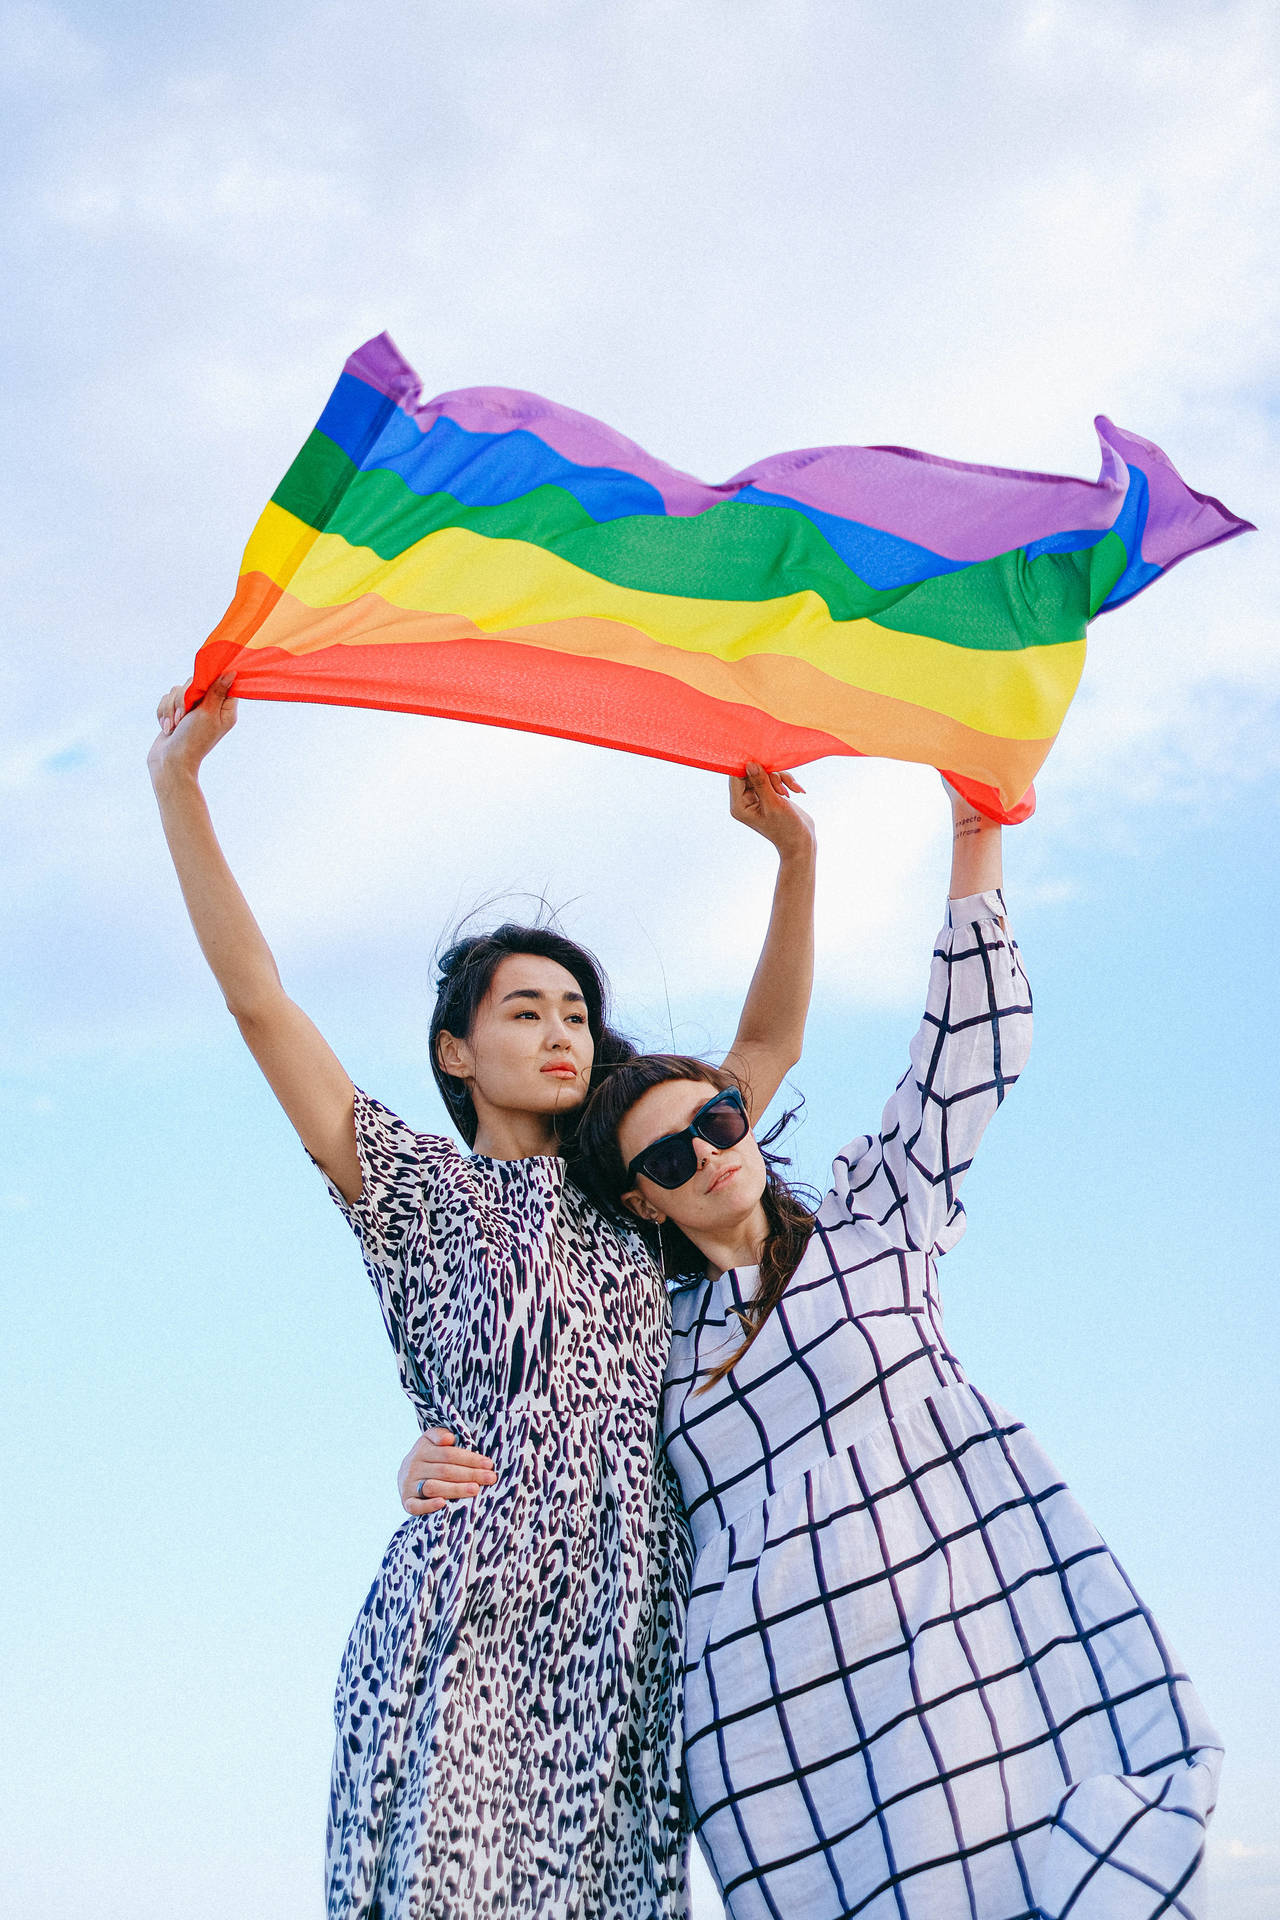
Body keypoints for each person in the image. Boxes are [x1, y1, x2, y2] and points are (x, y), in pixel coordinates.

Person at [403, 786, 1222, 1920]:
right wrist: (427, 1464)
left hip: (949, 1644)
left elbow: (968, 1049)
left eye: (718, 1125)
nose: (709, 1155)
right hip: (774, 1717)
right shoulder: (652, 1336)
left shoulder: (872, 1226)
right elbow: (548, 1432)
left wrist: (970, 831)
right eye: (675, 1159)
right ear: (641, 1203)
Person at [147, 672, 818, 1920]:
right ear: (456, 1051)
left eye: (575, 1010)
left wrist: (795, 857)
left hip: (631, 1618)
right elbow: (260, 1004)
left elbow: (767, 1046)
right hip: (474, 1599)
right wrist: (178, 785)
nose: (561, 1031)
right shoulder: (418, 1194)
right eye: (524, 1010)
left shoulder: (642, 1179)